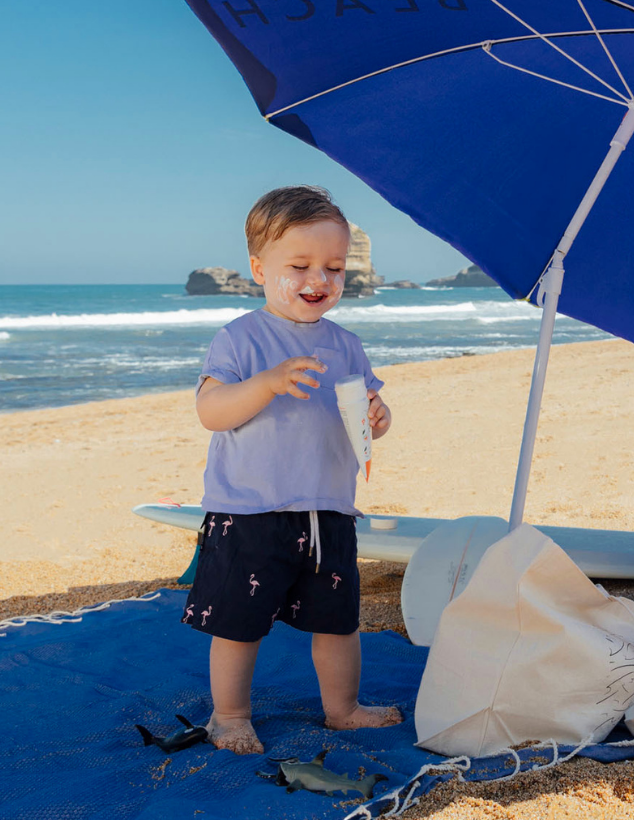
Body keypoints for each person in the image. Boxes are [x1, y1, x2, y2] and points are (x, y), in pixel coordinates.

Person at [183, 185, 400, 755]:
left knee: (339, 620)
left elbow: (367, 417)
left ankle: (343, 709)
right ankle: (229, 715)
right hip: (250, 508)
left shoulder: (347, 345)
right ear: (259, 268)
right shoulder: (240, 337)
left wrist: (379, 417)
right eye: (299, 265)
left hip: (327, 508)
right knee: (238, 623)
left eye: (334, 267)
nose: (319, 279)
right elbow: (211, 411)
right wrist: (267, 383)